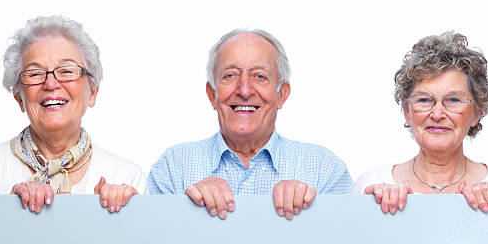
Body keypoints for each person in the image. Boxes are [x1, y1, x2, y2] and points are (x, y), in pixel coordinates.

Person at [0, 16, 146, 213]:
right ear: (19, 97)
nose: (51, 84)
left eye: (67, 71)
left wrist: (113, 222)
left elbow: (143, 243)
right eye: (35, 74)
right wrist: (8, 212)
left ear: (92, 92)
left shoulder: (126, 177)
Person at [148, 28, 352, 219]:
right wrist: (189, 211)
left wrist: (307, 214)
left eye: (260, 76)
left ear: (281, 94)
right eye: (230, 75)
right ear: (212, 95)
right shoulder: (173, 168)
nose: (244, 90)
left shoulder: (325, 170)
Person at [353, 31, 488, 213]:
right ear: (407, 112)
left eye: (453, 100)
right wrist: (375, 213)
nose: (437, 114)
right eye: (424, 100)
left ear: (477, 112)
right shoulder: (371, 187)